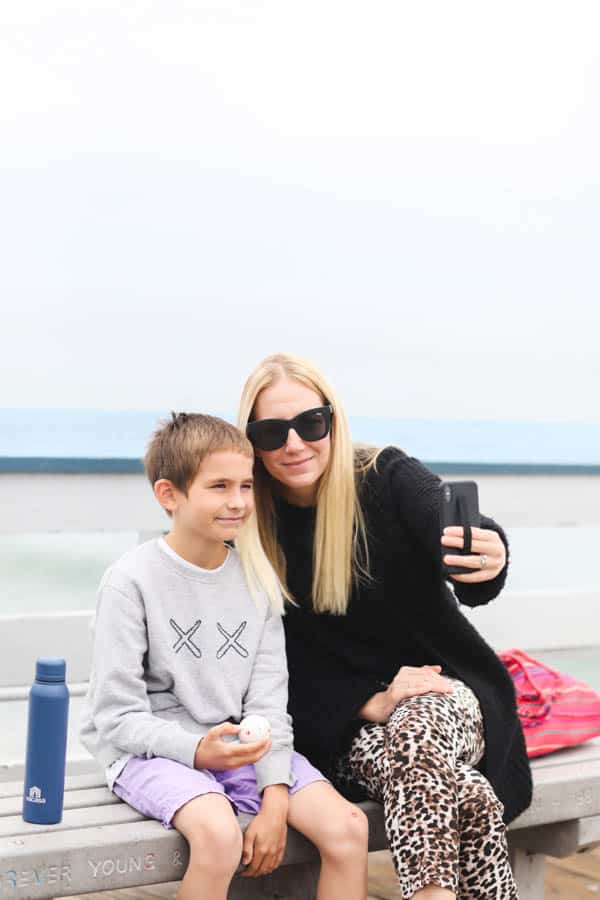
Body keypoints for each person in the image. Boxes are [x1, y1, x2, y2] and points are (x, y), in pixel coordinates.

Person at [236, 354, 533, 900]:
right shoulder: (248, 520)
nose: (295, 444)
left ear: (332, 419)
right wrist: (366, 703)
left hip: (447, 691)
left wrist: (486, 552)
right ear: (252, 442)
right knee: (465, 794)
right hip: (341, 729)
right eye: (272, 432)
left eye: (310, 424)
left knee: (417, 726)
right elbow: (262, 663)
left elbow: (449, 530)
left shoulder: (386, 477)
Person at [80, 412, 369, 900]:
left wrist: (274, 796)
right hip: (150, 753)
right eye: (219, 487)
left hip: (240, 746)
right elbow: (116, 715)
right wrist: (197, 751)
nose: (238, 502)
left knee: (348, 829)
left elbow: (269, 703)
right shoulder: (131, 581)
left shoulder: (257, 581)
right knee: (218, 835)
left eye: (246, 485)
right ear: (170, 495)